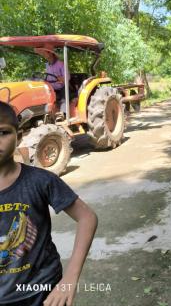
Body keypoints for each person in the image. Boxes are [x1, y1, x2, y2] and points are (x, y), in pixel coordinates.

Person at [0, 101, 98, 306]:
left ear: (18, 138)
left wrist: (70, 279)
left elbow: (87, 217)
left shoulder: (41, 181)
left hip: (42, 290)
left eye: (3, 133)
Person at [34, 47, 68, 113]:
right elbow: (48, 77)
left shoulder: (61, 64)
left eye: (44, 53)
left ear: (50, 53)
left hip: (61, 88)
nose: (43, 55)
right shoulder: (47, 65)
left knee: (64, 101)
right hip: (50, 88)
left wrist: (60, 78)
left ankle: (63, 113)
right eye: (42, 53)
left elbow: (67, 77)